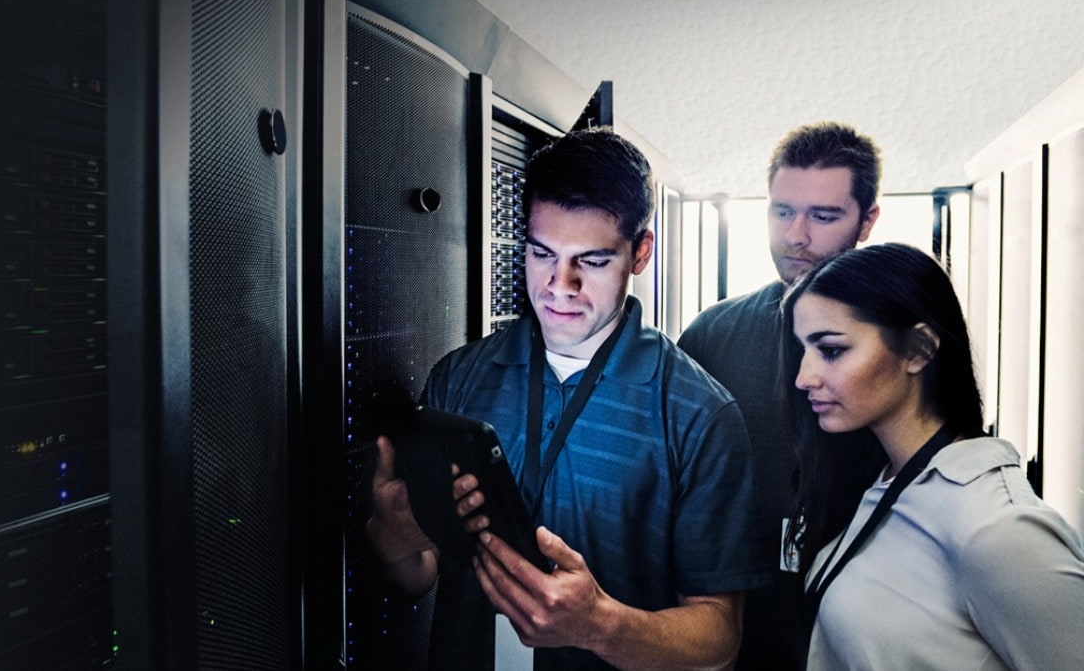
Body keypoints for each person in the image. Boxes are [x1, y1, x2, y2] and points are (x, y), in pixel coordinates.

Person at [368, 127, 768, 669]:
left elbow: (720, 635)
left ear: (641, 252)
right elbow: (419, 575)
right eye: (541, 253)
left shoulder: (699, 414)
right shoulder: (458, 378)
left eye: (593, 262)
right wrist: (396, 541)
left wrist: (602, 625)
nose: (561, 285)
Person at [781, 243, 1084, 669]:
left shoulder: (999, 530)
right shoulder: (883, 477)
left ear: (919, 349)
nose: (803, 377)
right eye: (804, 351)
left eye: (831, 350)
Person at [675, 120, 883, 668]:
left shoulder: (901, 345)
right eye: (782, 211)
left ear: (868, 221)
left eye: (823, 215)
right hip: (728, 634)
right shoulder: (711, 335)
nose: (797, 235)